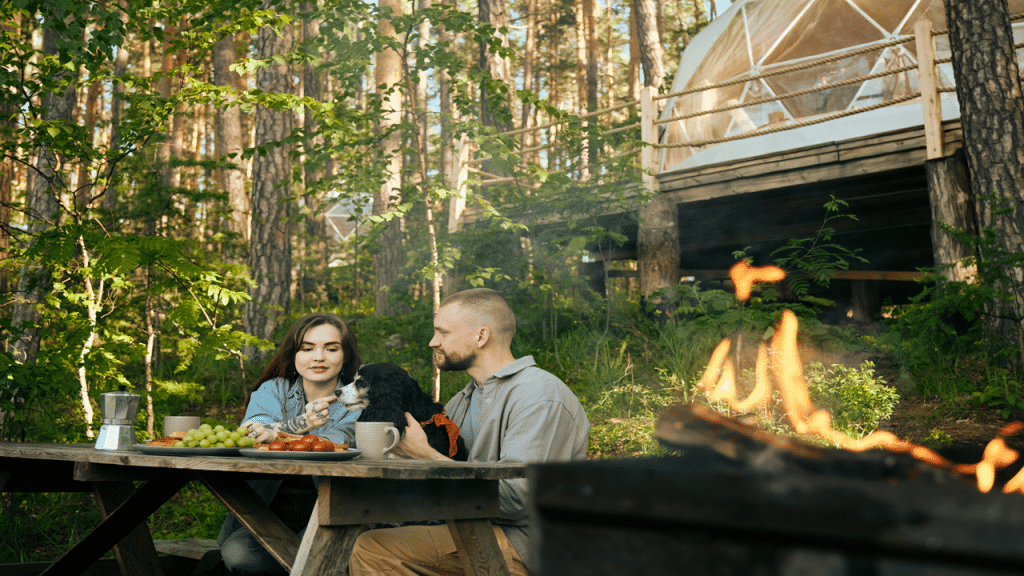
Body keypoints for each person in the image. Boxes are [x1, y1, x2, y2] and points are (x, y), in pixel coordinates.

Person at [346, 288, 590, 576]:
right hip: (469, 528)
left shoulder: (539, 395)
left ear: (481, 336)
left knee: (373, 549)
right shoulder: (462, 400)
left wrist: (425, 457)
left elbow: (516, 501)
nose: (432, 341)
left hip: (525, 546)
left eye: (443, 332)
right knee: (356, 528)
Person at [195, 312, 361, 576]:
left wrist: (279, 436)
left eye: (331, 348)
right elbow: (250, 432)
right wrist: (298, 424)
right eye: (308, 348)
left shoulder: (358, 397)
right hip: (270, 508)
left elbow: (341, 440)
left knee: (326, 557)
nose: (319, 357)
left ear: (346, 356)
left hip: (334, 509)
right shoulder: (274, 390)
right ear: (294, 355)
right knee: (239, 556)